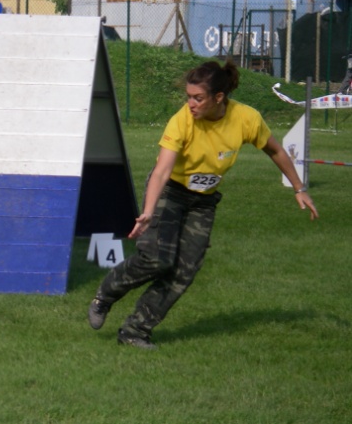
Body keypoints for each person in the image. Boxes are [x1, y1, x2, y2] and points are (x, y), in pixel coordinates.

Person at [88, 60, 319, 350]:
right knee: (157, 259)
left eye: (198, 98)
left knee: (184, 272)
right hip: (170, 192)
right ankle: (105, 295)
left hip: (203, 202)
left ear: (218, 97)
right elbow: (161, 171)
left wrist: (299, 188)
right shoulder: (182, 120)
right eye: (189, 97)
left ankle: (135, 331)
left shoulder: (246, 119)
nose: (191, 104)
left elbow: (275, 150)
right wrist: (147, 212)